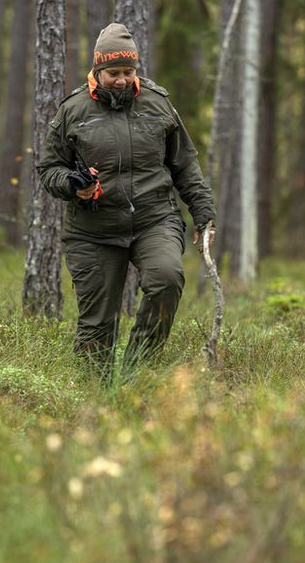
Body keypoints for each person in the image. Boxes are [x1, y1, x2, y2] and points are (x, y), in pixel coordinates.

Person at [37, 22, 215, 374]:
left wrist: (203, 213)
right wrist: (73, 184)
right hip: (92, 230)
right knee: (97, 323)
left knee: (166, 280)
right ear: (97, 69)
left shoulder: (158, 104)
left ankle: (137, 372)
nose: (121, 80)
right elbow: (49, 169)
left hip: (154, 219)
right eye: (113, 72)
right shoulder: (72, 111)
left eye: (128, 71)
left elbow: (185, 164)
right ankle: (95, 395)